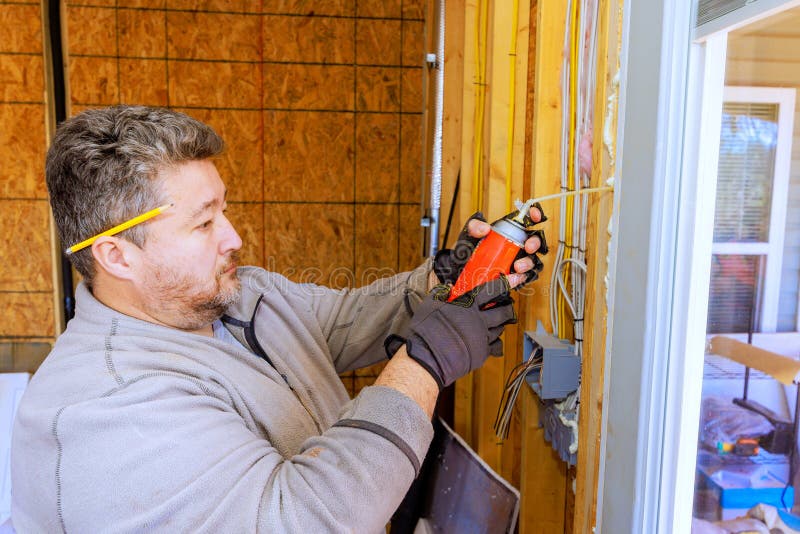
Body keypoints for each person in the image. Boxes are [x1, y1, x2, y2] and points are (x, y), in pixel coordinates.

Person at [10, 106, 546, 532]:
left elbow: (343, 322)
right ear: (118, 256)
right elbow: (307, 519)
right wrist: (426, 362)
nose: (233, 236)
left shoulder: (230, 295)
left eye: (223, 208)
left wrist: (446, 282)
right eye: (204, 223)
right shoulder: (110, 408)